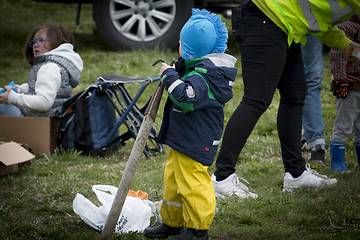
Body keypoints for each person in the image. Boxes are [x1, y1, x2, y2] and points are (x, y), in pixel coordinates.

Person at [211, 0, 360, 195]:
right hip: (265, 18)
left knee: (295, 95)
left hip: (283, 24)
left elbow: (313, 20)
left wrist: (344, 44)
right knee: (256, 100)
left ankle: (295, 173)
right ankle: (222, 177)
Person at [144, 8, 237, 240]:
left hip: (197, 140)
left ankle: (198, 229)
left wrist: (169, 77)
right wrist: (179, 70)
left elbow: (186, 98)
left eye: (180, 44)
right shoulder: (199, 70)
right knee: (173, 179)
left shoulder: (210, 77)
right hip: (183, 138)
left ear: (189, 48)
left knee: (193, 182)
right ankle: (172, 222)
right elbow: (189, 79)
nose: (178, 47)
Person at [0, 23, 83, 117]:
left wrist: (14, 98)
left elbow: (44, 102)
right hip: (45, 118)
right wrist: (21, 89)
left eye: (41, 40)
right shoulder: (56, 64)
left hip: (39, 122)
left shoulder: (49, 67)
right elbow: (40, 87)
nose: (35, 45)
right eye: (34, 41)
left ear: (57, 43)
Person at [329, 15, 360, 172]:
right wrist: (341, 80)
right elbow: (337, 54)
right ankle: (337, 163)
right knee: (344, 125)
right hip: (349, 86)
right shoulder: (348, 26)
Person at [301, 35, 327, 164]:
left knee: (311, 81)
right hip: (287, 20)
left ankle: (316, 143)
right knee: (290, 81)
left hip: (312, 24)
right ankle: (305, 136)